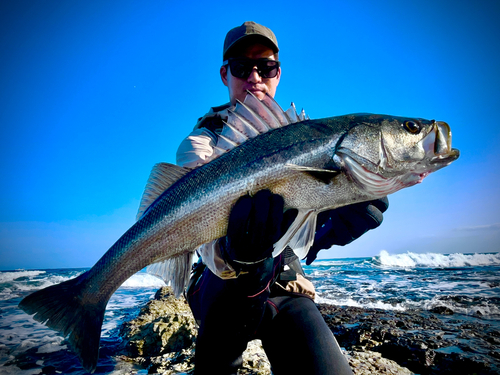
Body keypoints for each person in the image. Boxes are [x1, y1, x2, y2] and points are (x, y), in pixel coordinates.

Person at [176, 21, 389, 375]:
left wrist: (329, 226)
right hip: (221, 286)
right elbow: (205, 243)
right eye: (242, 67)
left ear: (278, 73)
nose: (255, 76)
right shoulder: (201, 143)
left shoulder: (307, 137)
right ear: (225, 74)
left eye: (266, 66)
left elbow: (303, 227)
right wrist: (238, 253)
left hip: (284, 282)